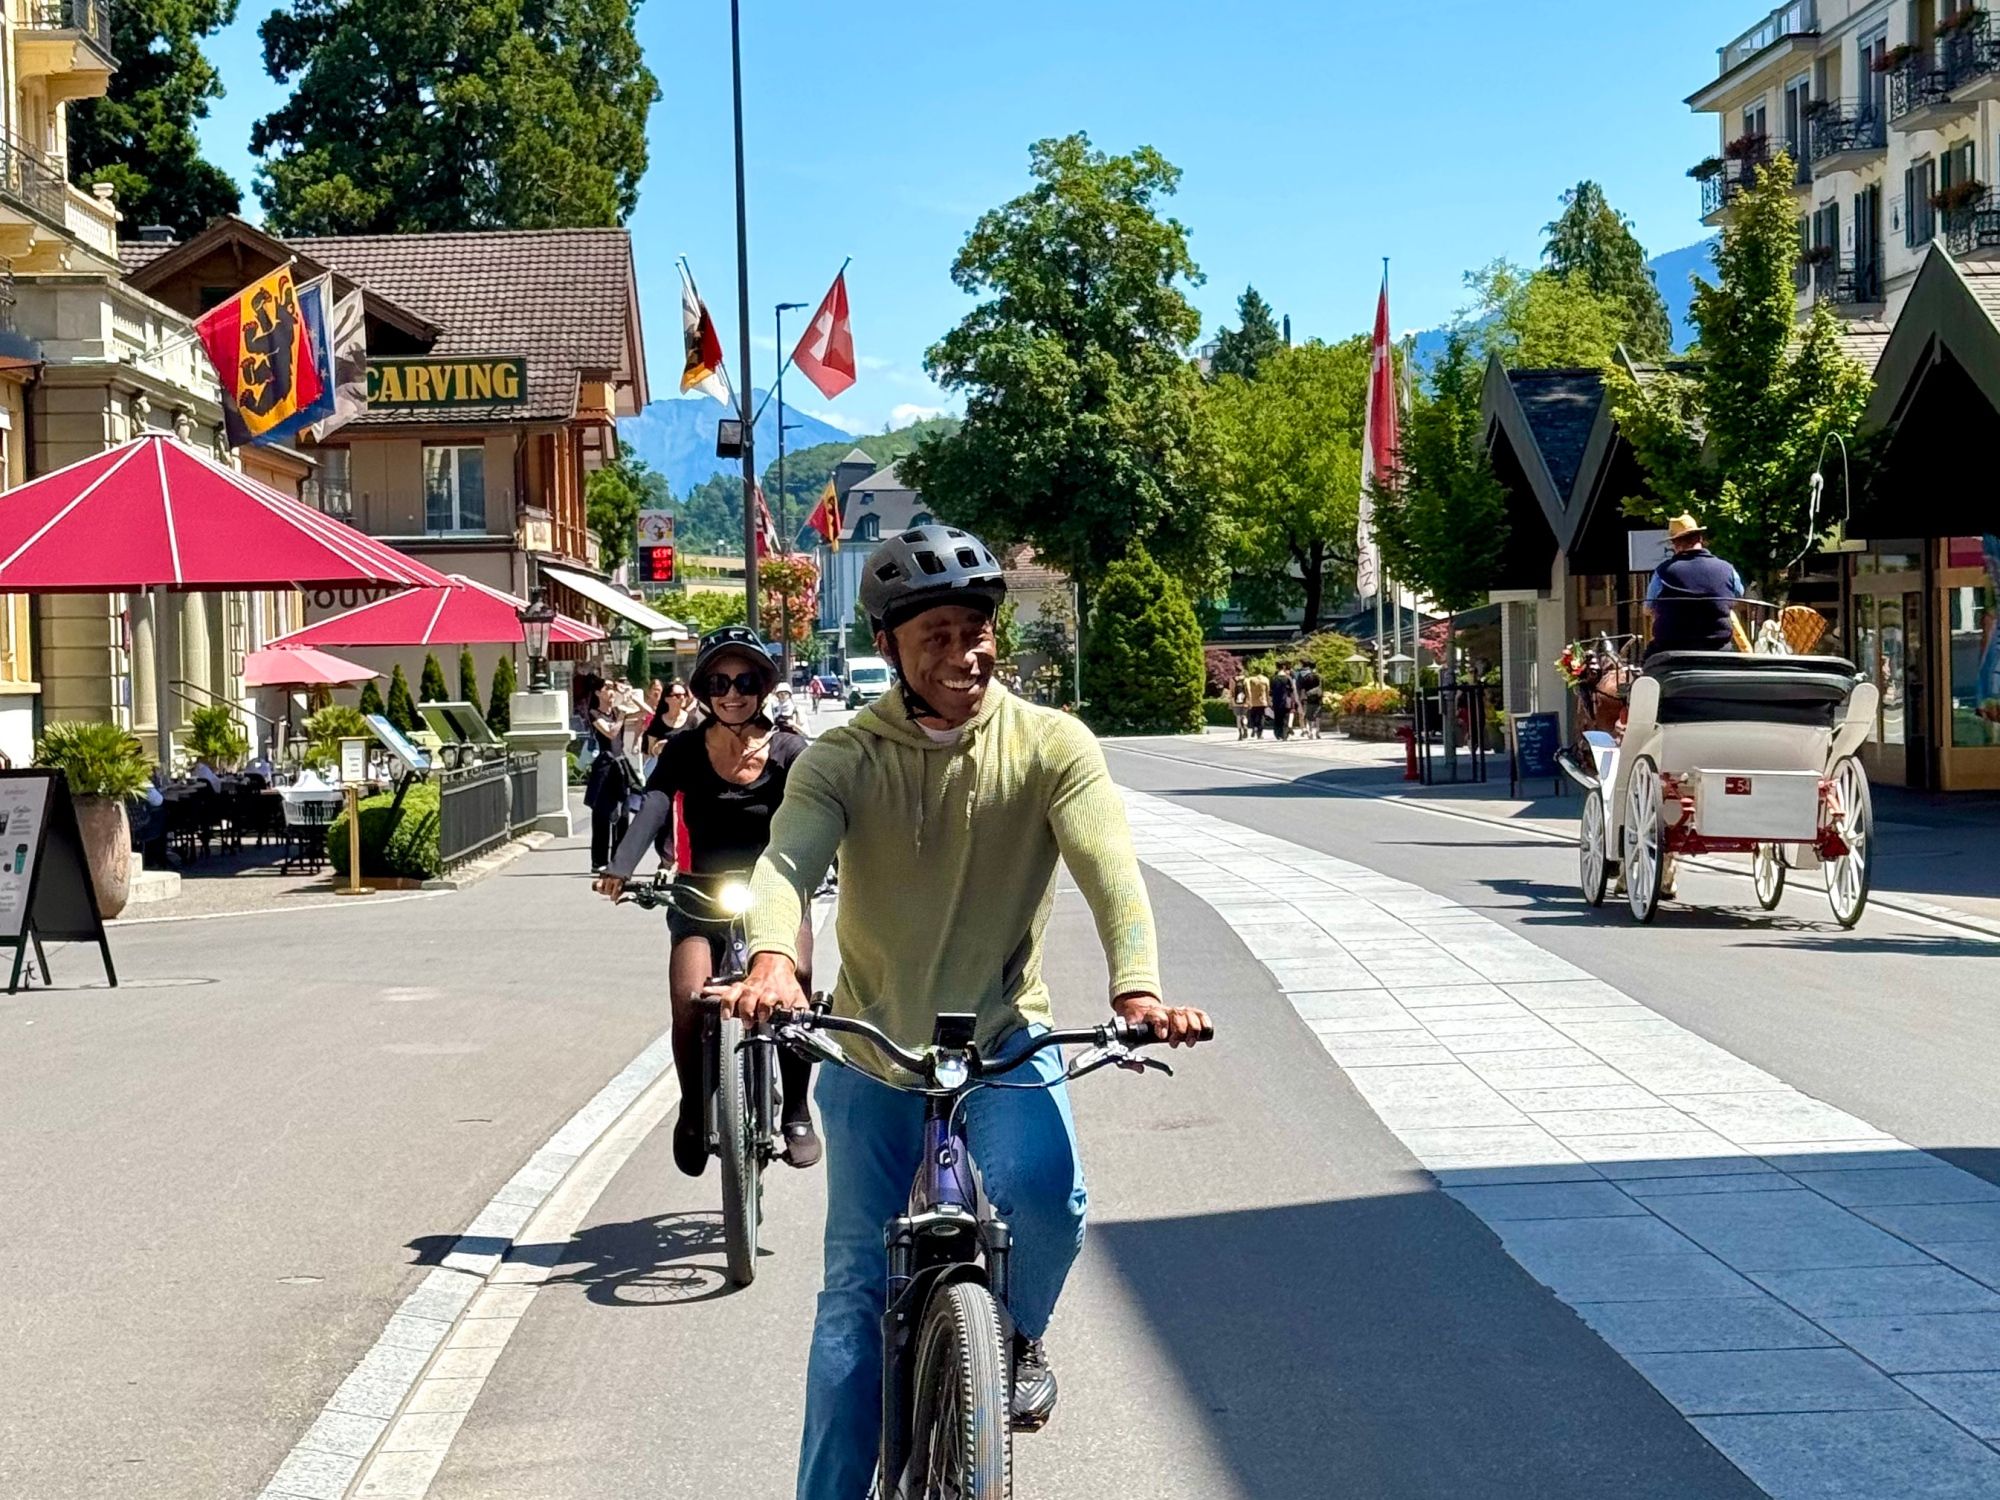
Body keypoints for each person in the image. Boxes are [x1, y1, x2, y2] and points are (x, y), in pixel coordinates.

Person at [708, 523, 1210, 1499]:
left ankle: (1009, 1339)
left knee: (1045, 1195)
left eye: (975, 627)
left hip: (1001, 1030)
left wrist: (1135, 986)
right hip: (870, 1047)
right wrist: (772, 961)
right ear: (891, 646)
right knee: (851, 1315)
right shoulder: (843, 758)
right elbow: (784, 865)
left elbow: (1110, 867)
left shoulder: (1050, 745)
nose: (964, 651)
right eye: (935, 633)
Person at [595, 627, 821, 1172]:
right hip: (699, 889)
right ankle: (694, 1110)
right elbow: (653, 803)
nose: (732, 692)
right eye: (719, 681)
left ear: (763, 685)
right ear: (704, 688)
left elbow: (821, 813)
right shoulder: (684, 748)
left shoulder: (792, 750)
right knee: (689, 999)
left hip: (777, 891)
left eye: (745, 680)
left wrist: (842, 864)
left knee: (800, 985)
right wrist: (621, 867)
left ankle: (795, 1109)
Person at [1645, 514, 1744, 660]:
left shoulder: (1663, 571)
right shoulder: (1727, 569)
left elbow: (1647, 609)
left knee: (1644, 664)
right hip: (1719, 647)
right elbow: (1737, 596)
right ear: (1700, 539)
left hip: (1671, 648)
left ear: (1675, 544)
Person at [580, 674, 629, 872]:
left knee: (623, 813)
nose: (611, 692)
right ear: (599, 692)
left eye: (612, 688)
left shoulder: (617, 710)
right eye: (607, 688)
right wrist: (623, 716)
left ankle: (618, 859)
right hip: (604, 767)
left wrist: (627, 695)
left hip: (619, 765)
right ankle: (598, 861)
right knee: (602, 814)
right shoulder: (594, 713)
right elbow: (610, 733)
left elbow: (647, 711)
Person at [1296, 659, 1324, 739]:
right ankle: (1318, 731)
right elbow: (1322, 688)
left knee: (1309, 716)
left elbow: (1303, 689)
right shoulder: (1320, 676)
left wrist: (1301, 698)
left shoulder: (1306, 677)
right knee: (1317, 715)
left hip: (1309, 698)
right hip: (1318, 698)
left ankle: (1311, 732)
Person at [1269, 661, 1296, 742]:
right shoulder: (1288, 678)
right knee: (1285, 717)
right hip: (1286, 700)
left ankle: (1277, 733)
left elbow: (1270, 691)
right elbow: (1292, 690)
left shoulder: (1273, 678)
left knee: (1277, 717)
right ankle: (1284, 735)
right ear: (1284, 667)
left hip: (1276, 700)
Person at [1243, 666, 1271, 738]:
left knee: (1253, 716)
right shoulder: (1265, 679)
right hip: (1262, 701)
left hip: (1253, 701)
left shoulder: (1251, 679)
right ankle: (1260, 733)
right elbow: (1268, 692)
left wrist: (1248, 700)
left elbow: (1247, 689)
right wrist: (1268, 702)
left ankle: (1254, 727)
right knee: (1261, 717)